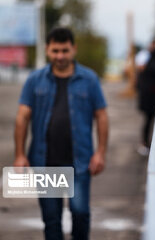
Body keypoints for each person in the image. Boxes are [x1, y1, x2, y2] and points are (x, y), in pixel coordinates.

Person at [13, 27, 109, 240]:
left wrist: (100, 153)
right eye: (55, 51)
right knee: (52, 219)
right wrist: (20, 155)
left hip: (80, 162)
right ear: (47, 50)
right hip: (46, 162)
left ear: (73, 49)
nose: (60, 56)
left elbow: (101, 116)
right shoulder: (35, 80)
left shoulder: (89, 79)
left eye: (65, 51)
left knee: (81, 213)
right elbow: (22, 117)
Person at [136, 44, 155, 156]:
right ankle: (144, 143)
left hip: (149, 99)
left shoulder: (151, 62)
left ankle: (146, 143)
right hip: (150, 100)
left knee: (149, 122)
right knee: (149, 121)